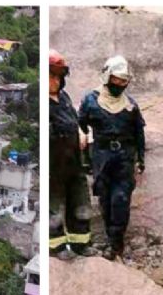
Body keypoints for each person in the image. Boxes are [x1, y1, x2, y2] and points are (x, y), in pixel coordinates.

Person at [78, 55, 146, 260]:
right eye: (116, 79)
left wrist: (140, 159)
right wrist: (85, 158)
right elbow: (80, 128)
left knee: (120, 200)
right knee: (105, 200)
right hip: (101, 156)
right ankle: (110, 239)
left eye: (123, 81)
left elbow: (139, 134)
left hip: (124, 159)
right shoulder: (91, 101)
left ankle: (116, 243)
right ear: (108, 77)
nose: (120, 84)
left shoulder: (130, 106)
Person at [48, 49, 96, 260]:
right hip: (55, 165)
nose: (54, 81)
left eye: (58, 76)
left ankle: (80, 244)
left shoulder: (64, 98)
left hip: (74, 162)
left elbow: (75, 122)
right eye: (51, 75)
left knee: (81, 205)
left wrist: (80, 133)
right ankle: (57, 247)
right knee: (55, 209)